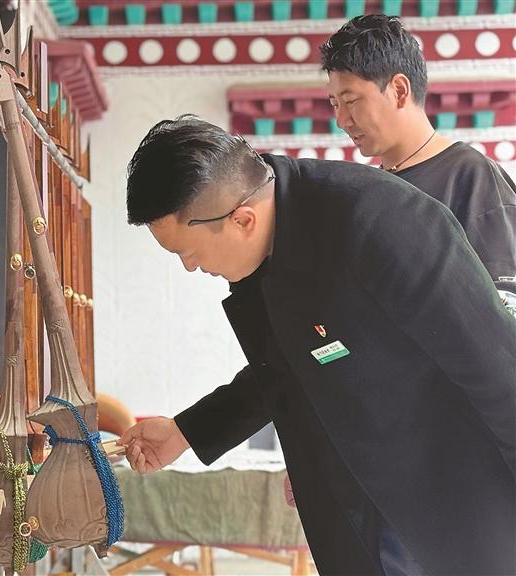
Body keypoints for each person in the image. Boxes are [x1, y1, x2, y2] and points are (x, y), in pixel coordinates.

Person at [118, 115, 516, 575]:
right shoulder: (266, 244)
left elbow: (500, 369)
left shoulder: (383, 221)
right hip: (364, 514)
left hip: (459, 507)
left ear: (242, 220)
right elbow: (284, 365)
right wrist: (186, 432)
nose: (190, 267)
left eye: (187, 252)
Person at [320, 14, 516, 281]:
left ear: (400, 90)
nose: (342, 120)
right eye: (335, 104)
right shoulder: (369, 188)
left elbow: (503, 299)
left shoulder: (471, 176)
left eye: (351, 101)